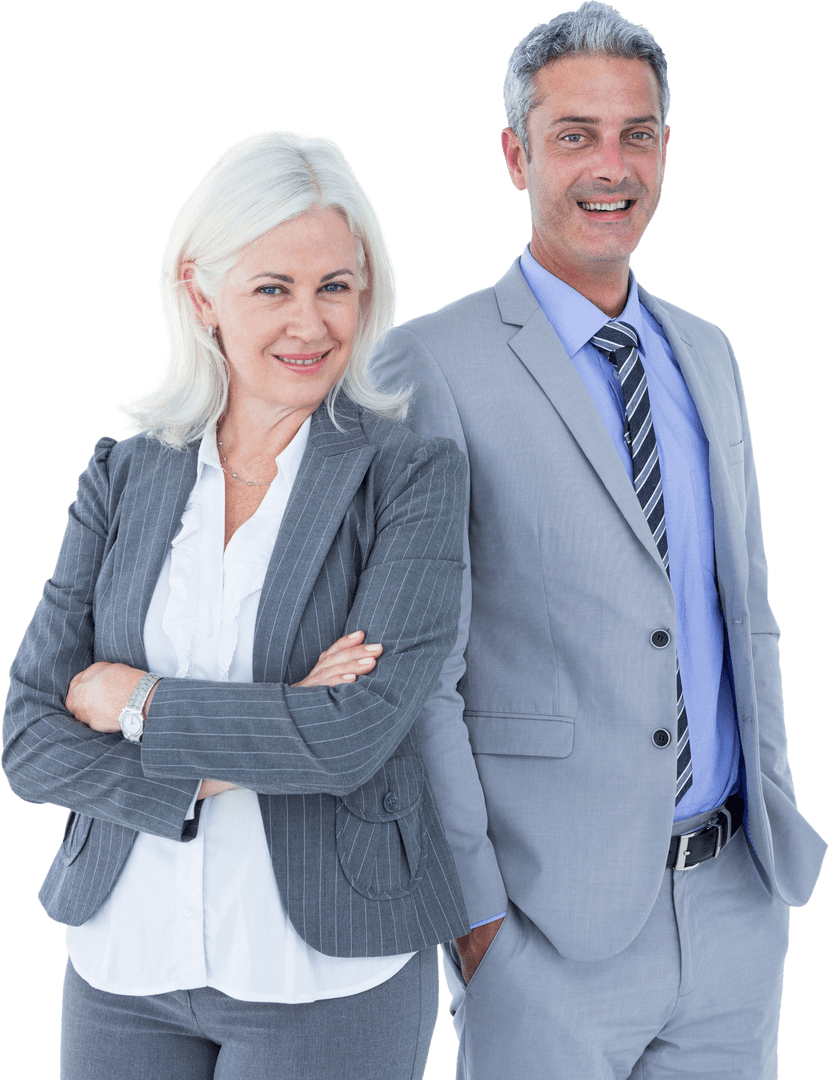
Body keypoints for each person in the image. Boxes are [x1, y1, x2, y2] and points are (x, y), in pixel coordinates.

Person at [370, 3, 826, 1077]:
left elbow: (745, 613)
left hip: (733, 911)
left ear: (665, 147)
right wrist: (476, 923)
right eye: (575, 134)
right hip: (541, 933)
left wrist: (773, 836)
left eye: (637, 133)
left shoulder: (708, 352)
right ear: (515, 152)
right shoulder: (425, 365)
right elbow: (418, 672)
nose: (608, 165)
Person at [2, 128, 470, 1080]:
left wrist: (131, 703)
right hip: (123, 964)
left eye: (336, 286)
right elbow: (26, 738)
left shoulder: (411, 476)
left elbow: (352, 738)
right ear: (200, 292)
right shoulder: (123, 473)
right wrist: (268, 728)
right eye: (273, 288)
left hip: (327, 971)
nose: (312, 323)